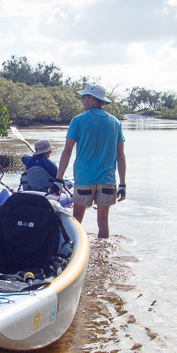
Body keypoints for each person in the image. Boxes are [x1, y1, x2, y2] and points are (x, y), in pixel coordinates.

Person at [55, 83, 126, 238]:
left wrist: (58, 179)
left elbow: (67, 150)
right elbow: (121, 155)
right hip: (107, 180)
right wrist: (122, 184)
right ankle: (103, 257)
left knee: (77, 221)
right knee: (103, 222)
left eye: (84, 97)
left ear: (92, 99)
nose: (82, 101)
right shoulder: (116, 123)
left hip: (84, 178)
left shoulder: (78, 121)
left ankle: (73, 253)